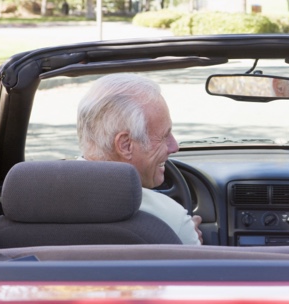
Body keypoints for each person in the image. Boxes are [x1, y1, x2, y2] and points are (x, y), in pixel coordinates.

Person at [76, 73, 202, 245]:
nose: (174, 147)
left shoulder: (39, 203)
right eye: (164, 136)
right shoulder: (172, 220)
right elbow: (195, 270)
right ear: (125, 145)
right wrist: (190, 237)